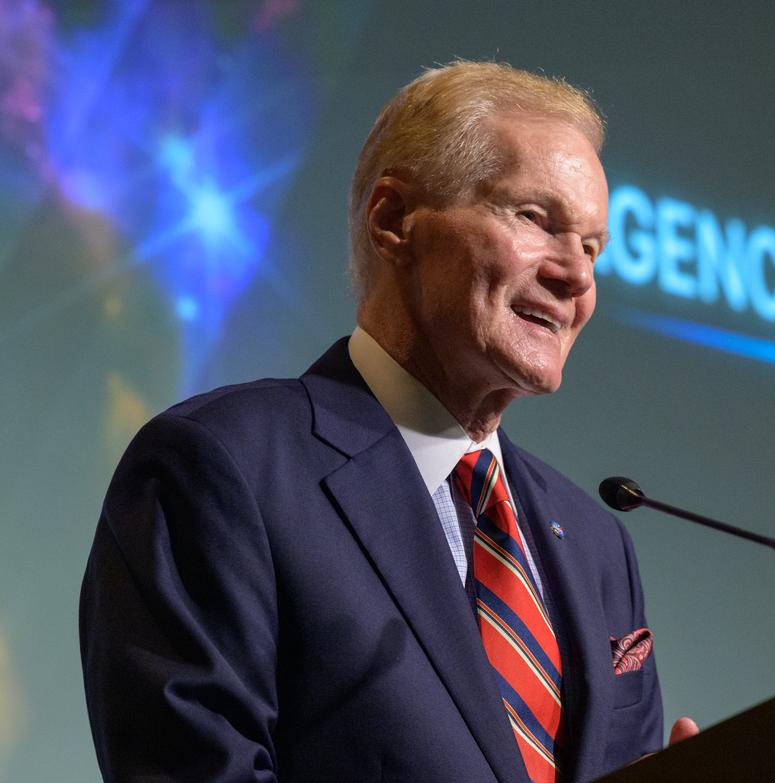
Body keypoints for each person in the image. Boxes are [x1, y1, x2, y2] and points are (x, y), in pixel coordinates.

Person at [80, 61, 694, 783]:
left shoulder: (597, 543)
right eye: (534, 218)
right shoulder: (220, 467)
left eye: (591, 246)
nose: (578, 276)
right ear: (393, 220)